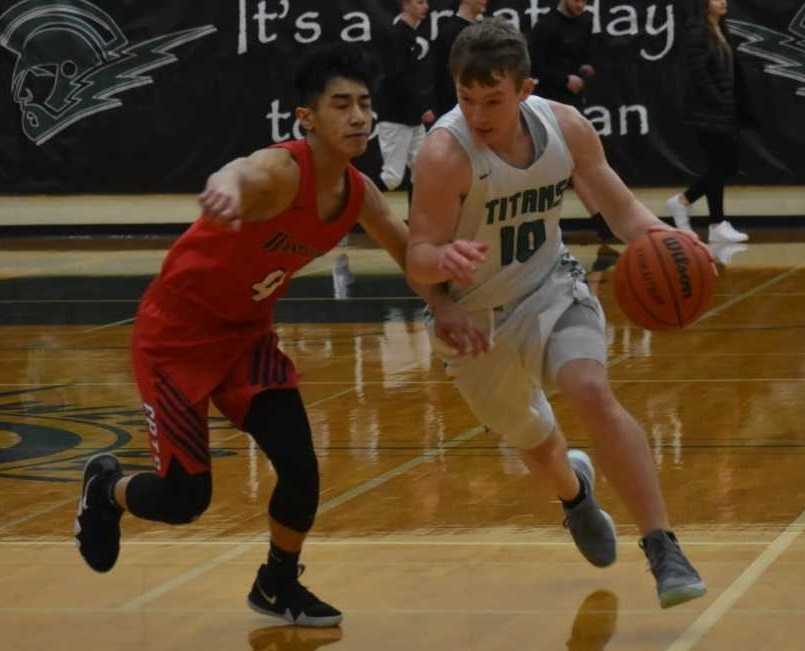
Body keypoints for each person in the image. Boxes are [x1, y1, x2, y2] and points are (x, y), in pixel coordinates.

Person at [73, 43, 471, 628]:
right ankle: (107, 488)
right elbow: (239, 171)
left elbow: (406, 251)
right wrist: (225, 188)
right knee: (185, 500)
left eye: (364, 103)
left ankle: (276, 584)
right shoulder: (278, 172)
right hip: (175, 340)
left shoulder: (358, 191)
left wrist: (444, 306)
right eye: (341, 104)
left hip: (246, 339)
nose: (359, 116)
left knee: (301, 468)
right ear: (306, 117)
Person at [406, 17, 708, 609]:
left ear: (526, 90)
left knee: (590, 390)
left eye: (493, 99)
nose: (478, 114)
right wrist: (442, 256)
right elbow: (416, 257)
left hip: (550, 287)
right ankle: (575, 495)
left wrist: (670, 240)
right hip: (475, 320)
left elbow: (619, 209)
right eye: (466, 99)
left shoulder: (564, 126)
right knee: (536, 443)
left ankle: (662, 546)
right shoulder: (445, 154)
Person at [666, 0, 755, 245]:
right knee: (721, 165)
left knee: (725, 166)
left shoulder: (721, 29)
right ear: (705, 4)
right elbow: (699, 75)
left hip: (725, 111)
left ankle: (690, 206)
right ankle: (711, 219)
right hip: (707, 113)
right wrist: (718, 100)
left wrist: (735, 104)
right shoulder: (698, 33)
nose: (723, 1)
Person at [528, 0, 613, 244]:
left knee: (579, 163)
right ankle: (597, 222)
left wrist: (587, 67)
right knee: (557, 164)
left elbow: (588, 54)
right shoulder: (545, 26)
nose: (581, 5)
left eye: (585, 1)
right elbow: (535, 65)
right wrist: (564, 79)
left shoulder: (585, 21)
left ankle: (601, 222)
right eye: (577, 0)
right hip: (550, 103)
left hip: (574, 102)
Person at [376, 0, 435, 199]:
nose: (425, 6)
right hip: (396, 116)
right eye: (419, 2)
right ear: (405, 4)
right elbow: (397, 78)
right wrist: (421, 108)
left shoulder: (410, 35)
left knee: (422, 170)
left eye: (425, 2)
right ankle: (361, 215)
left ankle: (416, 217)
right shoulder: (396, 36)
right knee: (392, 176)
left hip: (412, 117)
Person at [432, 0, 488, 118]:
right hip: (455, 109)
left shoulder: (484, 29)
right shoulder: (450, 32)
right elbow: (441, 75)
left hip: (481, 105)